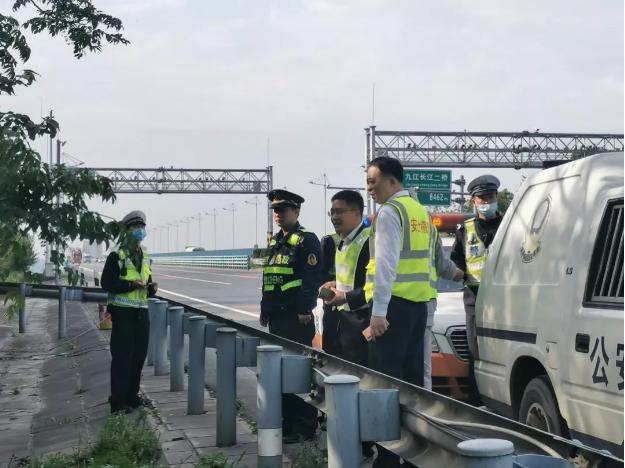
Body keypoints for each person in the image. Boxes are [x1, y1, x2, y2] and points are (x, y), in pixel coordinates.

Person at [364, 157, 432, 468]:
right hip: (418, 308)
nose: (369, 188)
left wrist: (379, 312)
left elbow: (386, 264)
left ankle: (389, 460)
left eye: (373, 182)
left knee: (386, 387)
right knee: (412, 386)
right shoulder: (420, 211)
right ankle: (415, 456)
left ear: (392, 181)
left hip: (393, 309)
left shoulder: (390, 211)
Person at [260, 189, 321, 443]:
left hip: (296, 319)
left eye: (282, 210)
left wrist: (305, 309)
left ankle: (304, 426)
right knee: (282, 372)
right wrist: (265, 309)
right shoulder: (275, 241)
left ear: (296, 211)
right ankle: (288, 422)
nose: (278, 214)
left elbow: (311, 278)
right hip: (277, 317)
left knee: (298, 373)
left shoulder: (306, 240)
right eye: (275, 210)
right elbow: (270, 277)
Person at [101, 210, 158, 414]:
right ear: (126, 230)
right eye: (135, 227)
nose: (140, 231)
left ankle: (132, 397)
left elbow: (145, 283)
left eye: (142, 227)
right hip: (122, 312)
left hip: (141, 313)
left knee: (138, 357)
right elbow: (107, 283)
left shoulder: (145, 255)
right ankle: (118, 402)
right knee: (122, 358)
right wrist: (130, 285)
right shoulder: (117, 254)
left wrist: (151, 288)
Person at [450, 175, 502, 361]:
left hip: (503, 296)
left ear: (497, 198)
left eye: (490, 197)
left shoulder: (509, 226)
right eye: (482, 198)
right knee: (476, 350)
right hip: (475, 296)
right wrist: (459, 273)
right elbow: (456, 259)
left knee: (502, 351)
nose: (487, 202)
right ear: (474, 201)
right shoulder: (465, 230)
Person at [321, 190, 371, 366]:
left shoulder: (370, 241)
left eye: (339, 212)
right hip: (339, 323)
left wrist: (345, 297)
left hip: (360, 322)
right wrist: (334, 284)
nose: (334, 217)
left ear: (357, 212)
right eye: (332, 212)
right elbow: (351, 277)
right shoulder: (343, 240)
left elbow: (375, 285)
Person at [425, 223, 464, 390]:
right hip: (425, 307)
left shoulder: (393, 220)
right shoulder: (428, 227)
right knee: (424, 371)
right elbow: (444, 266)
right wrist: (461, 274)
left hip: (403, 307)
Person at [319, 232, 340, 354]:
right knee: (331, 336)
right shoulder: (329, 240)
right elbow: (321, 275)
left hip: (354, 300)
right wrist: (326, 299)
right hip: (332, 297)